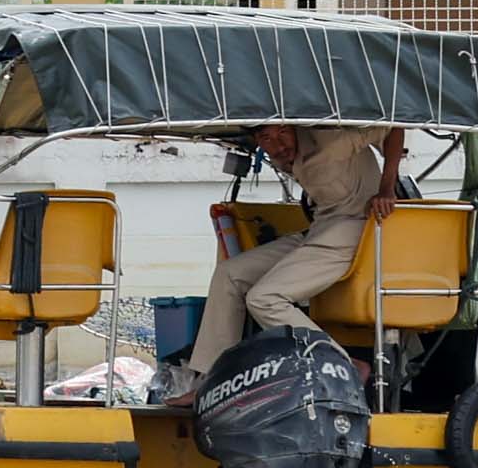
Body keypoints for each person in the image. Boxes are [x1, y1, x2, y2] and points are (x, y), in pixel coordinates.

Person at [171, 122, 406, 403]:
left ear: (294, 128)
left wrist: (386, 188)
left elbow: (393, 130)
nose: (278, 143)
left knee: (264, 298)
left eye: (282, 132)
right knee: (229, 274)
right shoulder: (282, 157)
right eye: (266, 138)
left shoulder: (331, 139)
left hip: (357, 229)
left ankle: (343, 365)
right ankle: (211, 380)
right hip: (321, 228)